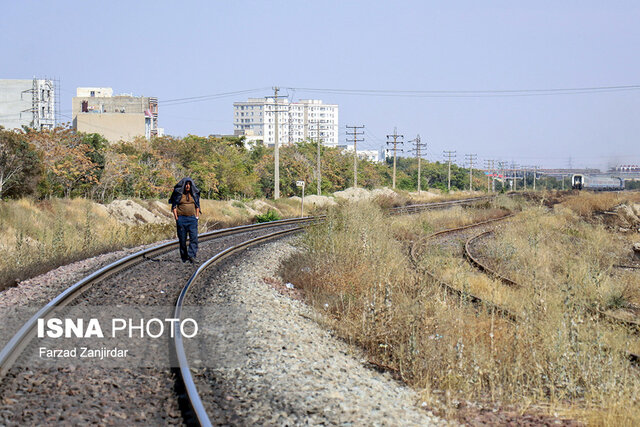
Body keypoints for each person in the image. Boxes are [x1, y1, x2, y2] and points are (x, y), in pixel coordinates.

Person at [169, 177, 201, 263]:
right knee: (182, 240)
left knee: (194, 238)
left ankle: (192, 256)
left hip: (192, 219)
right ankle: (184, 257)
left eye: (189, 185)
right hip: (181, 219)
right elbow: (174, 206)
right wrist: (176, 218)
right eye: (186, 184)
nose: (187, 186)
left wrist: (196, 217)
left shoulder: (194, 194)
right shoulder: (178, 194)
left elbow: (197, 206)